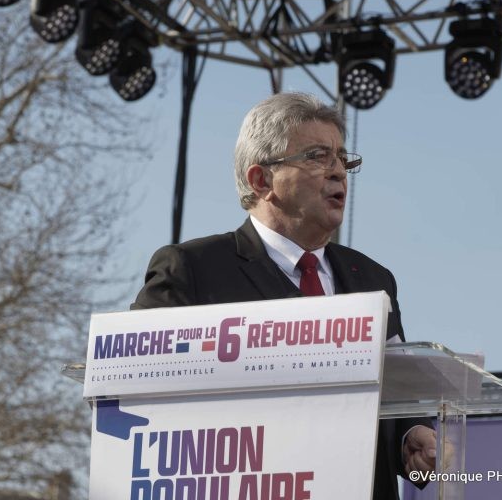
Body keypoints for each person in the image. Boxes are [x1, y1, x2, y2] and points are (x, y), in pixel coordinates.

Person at [132, 91, 436, 499]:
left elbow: (396, 396)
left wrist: (412, 438)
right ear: (262, 180)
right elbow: (132, 396)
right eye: (317, 157)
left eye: (343, 159)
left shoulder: (373, 279)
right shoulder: (193, 270)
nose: (338, 173)